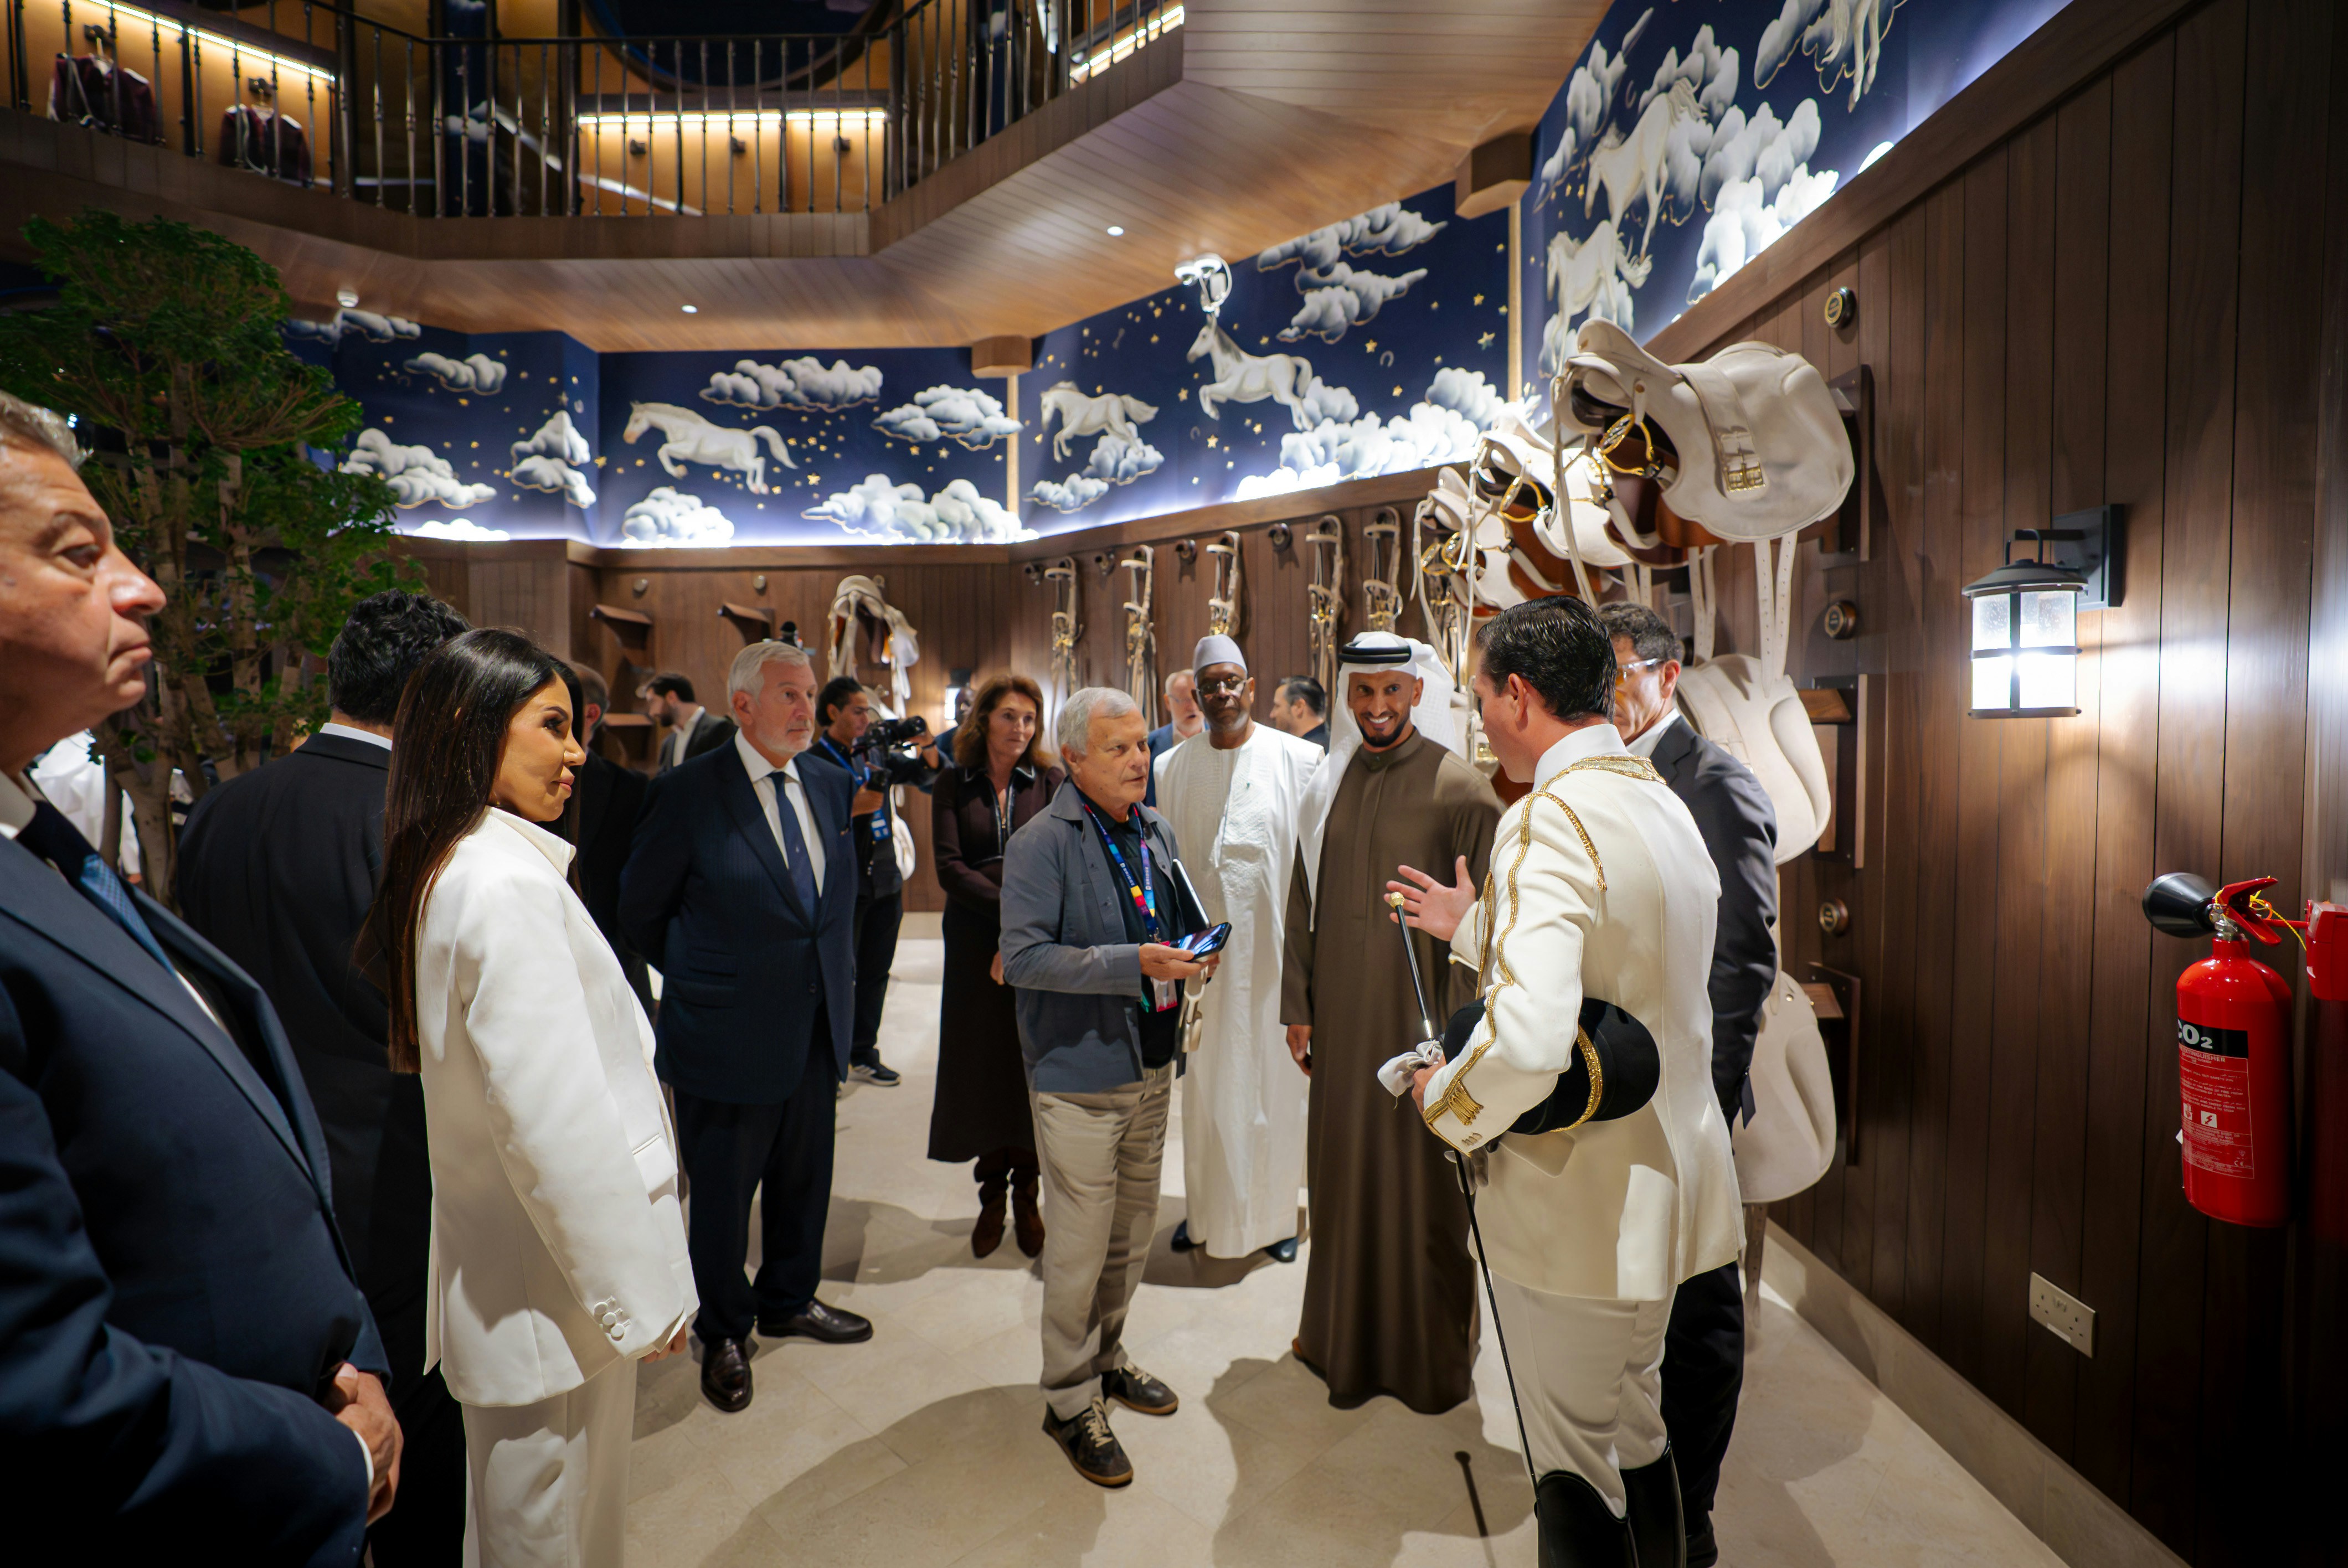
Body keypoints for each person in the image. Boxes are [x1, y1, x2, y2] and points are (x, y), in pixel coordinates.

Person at [0, 390, 398, 1558]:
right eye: (76, 553)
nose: (144, 586)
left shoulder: (41, 838)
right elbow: (38, 1383)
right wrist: (327, 1448)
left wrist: (350, 1344)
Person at [1393, 597, 1743, 1567]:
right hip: (1670, 1192)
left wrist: (1448, 1104)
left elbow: (1531, 1038)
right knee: (1636, 1433)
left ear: (1518, 694)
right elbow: (1632, 967)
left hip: (1579, 1203)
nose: (1475, 719)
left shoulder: (1547, 818)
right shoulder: (1656, 797)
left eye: (1477, 696)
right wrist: (1476, 927)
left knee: (1573, 1466)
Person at [366, 628, 693, 1567]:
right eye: (554, 726)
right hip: (550, 1294)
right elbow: (553, 1121)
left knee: (533, 1525)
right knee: (549, 1536)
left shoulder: (460, 860)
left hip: (527, 1279)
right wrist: (642, 1293)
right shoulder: (501, 882)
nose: (579, 753)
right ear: (472, 725)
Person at [178, 587, 471, 1565]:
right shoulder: (426, 830)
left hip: (248, 1165)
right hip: (397, 1176)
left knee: (292, 1419)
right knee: (419, 1435)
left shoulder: (220, 810)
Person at [620, 640, 870, 1419]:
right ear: (745, 706)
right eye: (790, 696)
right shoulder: (690, 792)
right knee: (724, 1196)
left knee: (804, 1179)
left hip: (815, 1026)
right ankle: (724, 1329)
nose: (805, 709)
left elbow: (834, 906)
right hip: (725, 1035)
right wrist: (709, 979)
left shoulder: (830, 784)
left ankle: (790, 1296)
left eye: (808, 695)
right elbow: (640, 913)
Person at [1599, 602, 1777, 1568]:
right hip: (1625, 1093)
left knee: (1702, 1305)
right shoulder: (1605, 779)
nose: (1608, 691)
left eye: (1621, 670)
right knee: (1640, 1303)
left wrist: (1699, 1101)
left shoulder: (1715, 780)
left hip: (1689, 1103)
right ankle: (1639, 1486)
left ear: (1668, 677)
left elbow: (1745, 961)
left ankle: (1690, 1520)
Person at [1281, 631, 1499, 1414]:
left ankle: (1428, 1362)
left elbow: (1491, 932)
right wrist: (1299, 1007)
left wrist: (1465, 1043)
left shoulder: (1463, 791)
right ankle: (1334, 1338)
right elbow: (1303, 899)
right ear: (1346, 696)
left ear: (1416, 692)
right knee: (1341, 1186)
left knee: (1422, 1196)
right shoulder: (1326, 784)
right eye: (1362, 693)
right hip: (1340, 1028)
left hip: (1423, 1039)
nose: (1377, 708)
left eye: (1391, 692)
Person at [1000, 687, 1211, 1488]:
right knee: (1081, 1247)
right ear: (1074, 758)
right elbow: (1023, 960)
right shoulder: (1039, 843)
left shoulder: (1153, 828)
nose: (1138, 760)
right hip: (1080, 1075)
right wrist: (1135, 965)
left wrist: (1194, 951)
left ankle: (1108, 1361)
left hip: (1154, 1064)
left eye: (1141, 746)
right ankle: (1066, 1398)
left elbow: (1170, 919)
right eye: (1119, 749)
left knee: (1129, 1240)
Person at [1156, 636, 1320, 1263]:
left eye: (1234, 682)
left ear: (1251, 688)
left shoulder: (1299, 761)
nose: (1223, 693)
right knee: (1204, 1099)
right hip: (1207, 976)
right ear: (1196, 695)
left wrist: (1310, 981)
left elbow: (1312, 875)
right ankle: (1205, 1217)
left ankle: (1276, 1220)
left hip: (1277, 971)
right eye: (1211, 685)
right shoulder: (1172, 768)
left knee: (1273, 1098)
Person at [927, 672, 1062, 1258]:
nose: (1021, 728)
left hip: (1035, 939)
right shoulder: (952, 782)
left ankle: (1028, 1193)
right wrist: (1008, 911)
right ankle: (991, 1196)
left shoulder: (1051, 780)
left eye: (1030, 718)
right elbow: (949, 868)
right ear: (983, 719)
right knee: (981, 1065)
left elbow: (1060, 859)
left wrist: (1022, 924)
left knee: (1028, 1062)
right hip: (972, 941)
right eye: (1009, 716)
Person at [809, 677, 912, 1088]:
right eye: (857, 710)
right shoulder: (815, 760)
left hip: (885, 877)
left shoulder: (871, 753)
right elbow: (812, 823)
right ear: (832, 712)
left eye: (867, 710)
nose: (865, 718)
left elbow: (923, 771)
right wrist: (850, 809)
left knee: (876, 972)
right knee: (837, 975)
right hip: (844, 884)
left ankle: (863, 1051)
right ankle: (830, 1060)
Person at [562, 662, 654, 1018]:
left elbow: (646, 896)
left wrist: (623, 953)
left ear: (590, 714)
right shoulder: (506, 787)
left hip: (617, 976)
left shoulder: (632, 790)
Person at [641, 671, 734, 772]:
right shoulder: (667, 744)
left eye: (653, 702)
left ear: (671, 697)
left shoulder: (720, 729)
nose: (652, 713)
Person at [1141, 667, 1202, 807]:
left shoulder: (1219, 740)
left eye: (1196, 698)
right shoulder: (1150, 743)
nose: (1192, 707)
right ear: (1168, 702)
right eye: (1184, 700)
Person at [1272, 675, 1330, 749]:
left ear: (1299, 706)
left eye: (1277, 706)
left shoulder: (1311, 752)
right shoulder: (1334, 745)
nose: (1272, 715)